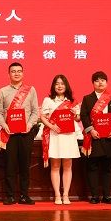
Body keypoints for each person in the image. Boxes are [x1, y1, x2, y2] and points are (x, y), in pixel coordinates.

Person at [0, 62, 39, 205]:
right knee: (10, 165)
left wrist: (29, 124)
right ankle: (10, 196)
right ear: (9, 74)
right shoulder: (3, 91)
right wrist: (4, 125)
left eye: (19, 71)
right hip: (9, 134)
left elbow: (35, 111)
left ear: (23, 73)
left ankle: (24, 195)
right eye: (13, 71)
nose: (16, 73)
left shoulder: (31, 90)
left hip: (26, 133)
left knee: (25, 165)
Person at [80, 71, 111, 204]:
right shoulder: (87, 99)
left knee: (108, 168)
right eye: (97, 80)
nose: (100, 83)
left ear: (106, 82)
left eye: (103, 80)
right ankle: (94, 196)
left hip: (110, 138)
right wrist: (91, 130)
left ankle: (107, 195)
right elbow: (84, 116)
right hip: (94, 138)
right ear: (93, 83)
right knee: (92, 167)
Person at [39, 74, 81, 205]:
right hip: (55, 135)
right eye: (57, 84)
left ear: (66, 86)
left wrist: (75, 115)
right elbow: (43, 117)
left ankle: (66, 195)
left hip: (69, 136)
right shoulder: (48, 100)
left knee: (68, 165)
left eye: (62, 83)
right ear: (53, 86)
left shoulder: (72, 101)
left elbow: (78, 119)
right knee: (55, 165)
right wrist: (51, 126)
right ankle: (57, 195)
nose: (59, 86)